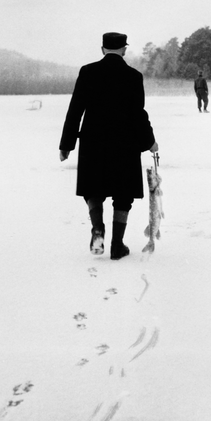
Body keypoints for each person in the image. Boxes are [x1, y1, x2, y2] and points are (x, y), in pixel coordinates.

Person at [59, 32, 158, 260]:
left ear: (102, 49)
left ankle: (97, 229)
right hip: (125, 142)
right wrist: (150, 141)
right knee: (123, 193)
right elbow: (138, 114)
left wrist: (67, 144)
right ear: (124, 49)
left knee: (93, 187)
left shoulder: (88, 72)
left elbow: (75, 110)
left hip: (93, 141)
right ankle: (117, 245)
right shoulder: (133, 76)